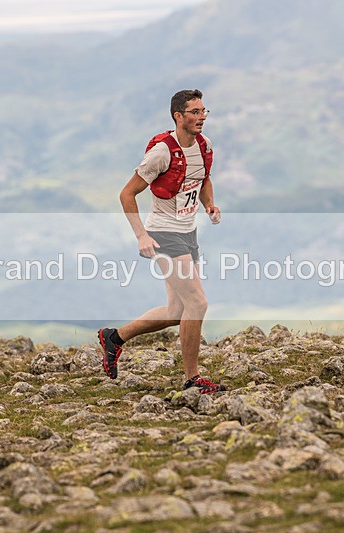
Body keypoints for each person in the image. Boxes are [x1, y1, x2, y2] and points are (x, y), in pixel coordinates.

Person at [98, 89, 227, 395]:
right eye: (194, 112)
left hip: (188, 232)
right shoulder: (161, 153)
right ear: (178, 116)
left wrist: (210, 204)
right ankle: (193, 378)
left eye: (203, 111)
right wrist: (141, 235)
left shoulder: (205, 146)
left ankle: (114, 337)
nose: (201, 118)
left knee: (175, 311)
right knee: (197, 302)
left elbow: (203, 178)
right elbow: (126, 194)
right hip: (163, 234)